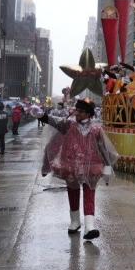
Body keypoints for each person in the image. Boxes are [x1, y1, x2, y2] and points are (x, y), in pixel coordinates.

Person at [41, 98, 118, 240]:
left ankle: (90, 226)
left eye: (81, 111)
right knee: (73, 191)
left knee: (90, 192)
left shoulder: (96, 129)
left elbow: (103, 149)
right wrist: (42, 116)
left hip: (91, 167)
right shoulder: (69, 125)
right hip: (71, 166)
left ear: (88, 114)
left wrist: (108, 166)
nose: (77, 113)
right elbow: (55, 122)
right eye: (77, 111)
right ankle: (75, 221)